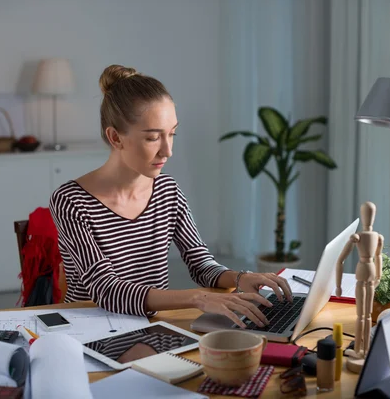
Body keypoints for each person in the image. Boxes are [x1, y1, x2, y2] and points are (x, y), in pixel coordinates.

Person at [49, 64, 293, 329]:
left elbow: (201, 265)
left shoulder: (167, 191)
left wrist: (241, 278)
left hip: (149, 327)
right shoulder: (71, 200)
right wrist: (197, 299)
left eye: (172, 134)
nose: (167, 151)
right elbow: (106, 290)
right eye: (153, 138)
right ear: (115, 137)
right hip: (88, 330)